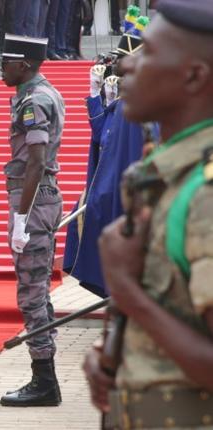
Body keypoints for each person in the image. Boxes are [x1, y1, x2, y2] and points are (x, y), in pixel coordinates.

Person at [83, 2, 213, 427]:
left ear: (193, 75)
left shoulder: (204, 194)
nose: (126, 66)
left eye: (148, 54)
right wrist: (114, 362)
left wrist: (126, 289)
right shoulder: (160, 177)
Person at [0, 34, 65, 407]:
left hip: (34, 200)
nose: (1, 68)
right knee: (38, 290)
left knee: (30, 293)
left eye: (6, 62)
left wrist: (22, 218)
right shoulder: (42, 92)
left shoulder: (34, 100)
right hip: (40, 198)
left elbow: (36, 162)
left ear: (24, 64)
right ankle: (46, 375)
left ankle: (44, 381)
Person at [63, 26, 150, 298]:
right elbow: (102, 138)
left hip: (118, 191)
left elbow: (112, 147)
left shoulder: (135, 103)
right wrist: (97, 97)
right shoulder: (124, 100)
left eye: (119, 60)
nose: (113, 66)